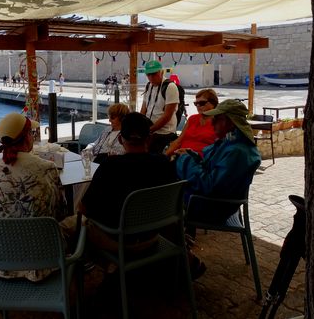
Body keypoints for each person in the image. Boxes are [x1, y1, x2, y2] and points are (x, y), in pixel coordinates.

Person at [0, 112, 68, 281]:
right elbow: (60, 212)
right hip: (43, 262)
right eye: (32, 132)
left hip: (0, 262)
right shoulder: (47, 168)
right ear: (27, 137)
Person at [79, 112, 177, 252]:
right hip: (153, 236)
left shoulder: (110, 166)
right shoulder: (164, 163)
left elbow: (84, 209)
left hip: (117, 241)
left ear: (120, 139)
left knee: (68, 226)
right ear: (149, 138)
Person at [176, 99, 261, 224]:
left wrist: (185, 160)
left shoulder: (237, 152)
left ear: (231, 122)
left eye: (217, 119)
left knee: (161, 200)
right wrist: (193, 156)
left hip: (210, 208)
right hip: (211, 202)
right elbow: (212, 169)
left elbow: (209, 185)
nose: (212, 122)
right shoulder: (230, 143)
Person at [140, 60, 179, 153]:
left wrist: (149, 130)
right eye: (148, 74)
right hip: (150, 132)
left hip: (164, 133)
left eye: (154, 74)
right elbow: (144, 108)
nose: (151, 77)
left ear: (162, 72)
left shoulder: (170, 87)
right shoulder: (148, 86)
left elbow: (167, 116)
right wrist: (141, 126)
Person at [165, 88, 219, 157]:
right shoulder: (192, 119)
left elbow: (218, 150)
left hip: (200, 159)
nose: (198, 106)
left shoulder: (219, 122)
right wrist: (164, 156)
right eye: (196, 103)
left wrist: (192, 154)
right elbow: (178, 141)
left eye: (202, 103)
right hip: (181, 156)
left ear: (213, 104)